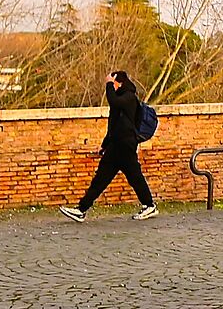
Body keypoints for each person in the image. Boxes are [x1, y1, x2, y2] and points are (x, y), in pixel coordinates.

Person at [61, 69, 158, 221]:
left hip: (126, 145)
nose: (114, 87)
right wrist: (105, 145)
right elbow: (113, 126)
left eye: (115, 84)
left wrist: (108, 84)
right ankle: (81, 210)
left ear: (119, 83)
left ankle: (150, 205)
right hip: (115, 146)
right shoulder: (119, 102)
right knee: (101, 179)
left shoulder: (129, 97)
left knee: (135, 177)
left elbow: (113, 100)